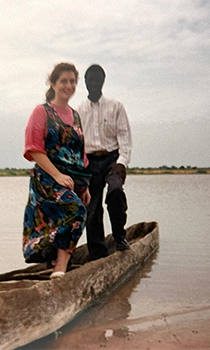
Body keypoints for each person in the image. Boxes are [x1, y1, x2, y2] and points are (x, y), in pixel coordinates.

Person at [22, 62, 92, 279]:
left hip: (71, 179)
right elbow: (34, 149)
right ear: (52, 83)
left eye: (72, 81)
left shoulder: (76, 115)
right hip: (48, 178)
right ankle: (60, 267)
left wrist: (84, 187)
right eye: (63, 81)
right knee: (77, 211)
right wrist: (57, 175)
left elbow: (81, 155)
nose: (68, 85)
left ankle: (57, 263)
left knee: (77, 211)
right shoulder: (42, 112)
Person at [77, 64, 133, 260]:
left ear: (103, 81)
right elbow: (78, 144)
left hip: (112, 160)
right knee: (92, 207)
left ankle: (120, 238)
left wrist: (122, 163)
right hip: (89, 162)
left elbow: (125, 138)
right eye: (90, 80)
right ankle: (97, 252)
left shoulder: (116, 106)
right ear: (85, 83)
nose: (93, 83)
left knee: (115, 193)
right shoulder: (79, 112)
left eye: (97, 79)